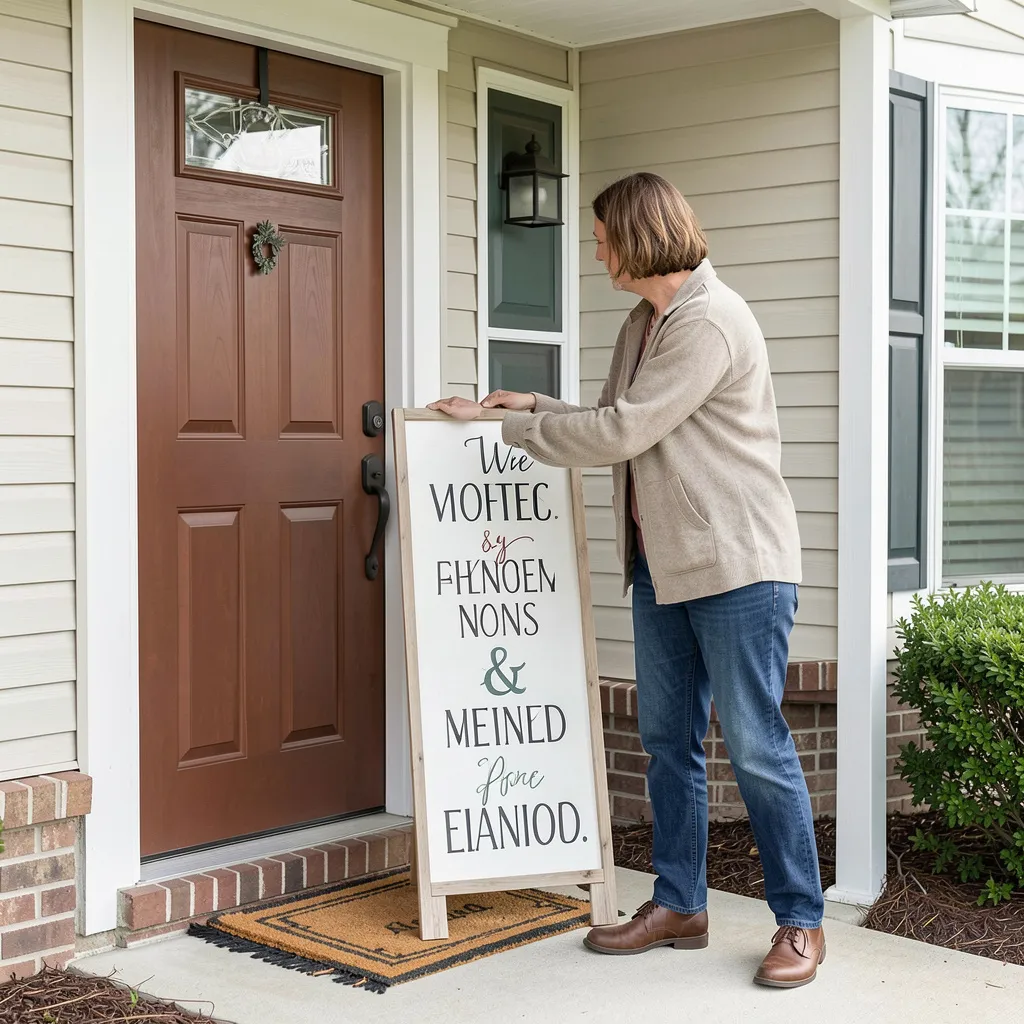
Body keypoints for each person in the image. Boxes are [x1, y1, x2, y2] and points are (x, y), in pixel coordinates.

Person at [428, 171, 826, 989]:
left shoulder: (710, 321)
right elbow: (617, 410)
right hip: (663, 566)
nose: (598, 248)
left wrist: (512, 427)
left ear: (640, 236)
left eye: (604, 235)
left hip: (737, 567)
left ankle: (800, 921)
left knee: (755, 746)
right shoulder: (644, 322)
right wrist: (532, 401)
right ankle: (680, 904)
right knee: (665, 742)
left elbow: (625, 429)